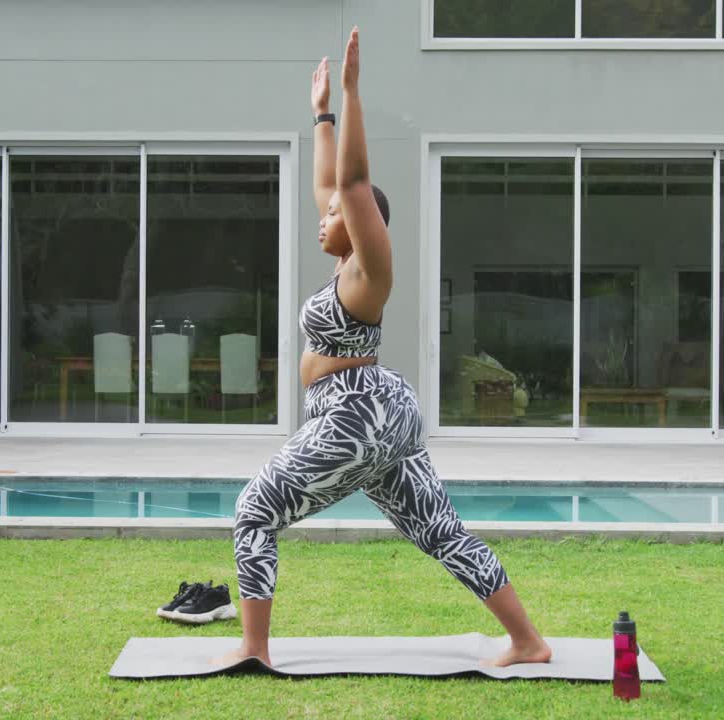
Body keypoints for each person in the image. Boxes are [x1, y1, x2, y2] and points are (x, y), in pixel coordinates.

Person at [213, 27, 552, 669]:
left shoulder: (370, 274)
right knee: (441, 532)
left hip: (357, 416)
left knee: (255, 510)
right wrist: (321, 116)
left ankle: (253, 648)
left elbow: (355, 180)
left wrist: (352, 92)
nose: (324, 215)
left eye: (336, 212)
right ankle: (528, 642)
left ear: (364, 221)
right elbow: (331, 185)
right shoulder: (344, 264)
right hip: (380, 417)